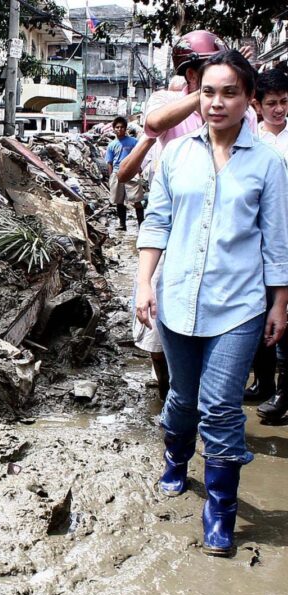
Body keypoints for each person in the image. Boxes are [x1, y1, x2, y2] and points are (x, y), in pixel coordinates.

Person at [136, 50, 288, 557]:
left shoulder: (268, 162)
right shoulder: (176, 155)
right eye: (208, 92)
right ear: (196, 96)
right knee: (182, 398)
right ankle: (177, 458)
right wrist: (145, 284)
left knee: (221, 406)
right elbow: (156, 223)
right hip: (178, 299)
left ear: (249, 99)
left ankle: (220, 512)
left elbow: (277, 240)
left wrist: (279, 303)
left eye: (229, 93)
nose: (217, 102)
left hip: (239, 306)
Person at [243, 68, 288, 422]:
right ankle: (263, 382)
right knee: (259, 314)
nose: (278, 110)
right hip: (256, 240)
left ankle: (283, 393)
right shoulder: (248, 140)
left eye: (284, 103)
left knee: (284, 314)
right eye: (271, 103)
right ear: (256, 105)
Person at [105, 116, 143, 231]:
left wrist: (139, 169)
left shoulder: (134, 142)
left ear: (125, 128)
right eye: (117, 127)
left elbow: (139, 156)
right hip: (117, 173)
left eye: (122, 127)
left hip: (132, 173)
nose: (119, 129)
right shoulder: (112, 145)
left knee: (137, 200)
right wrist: (111, 176)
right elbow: (110, 162)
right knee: (119, 201)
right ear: (114, 129)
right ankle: (122, 224)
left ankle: (141, 225)